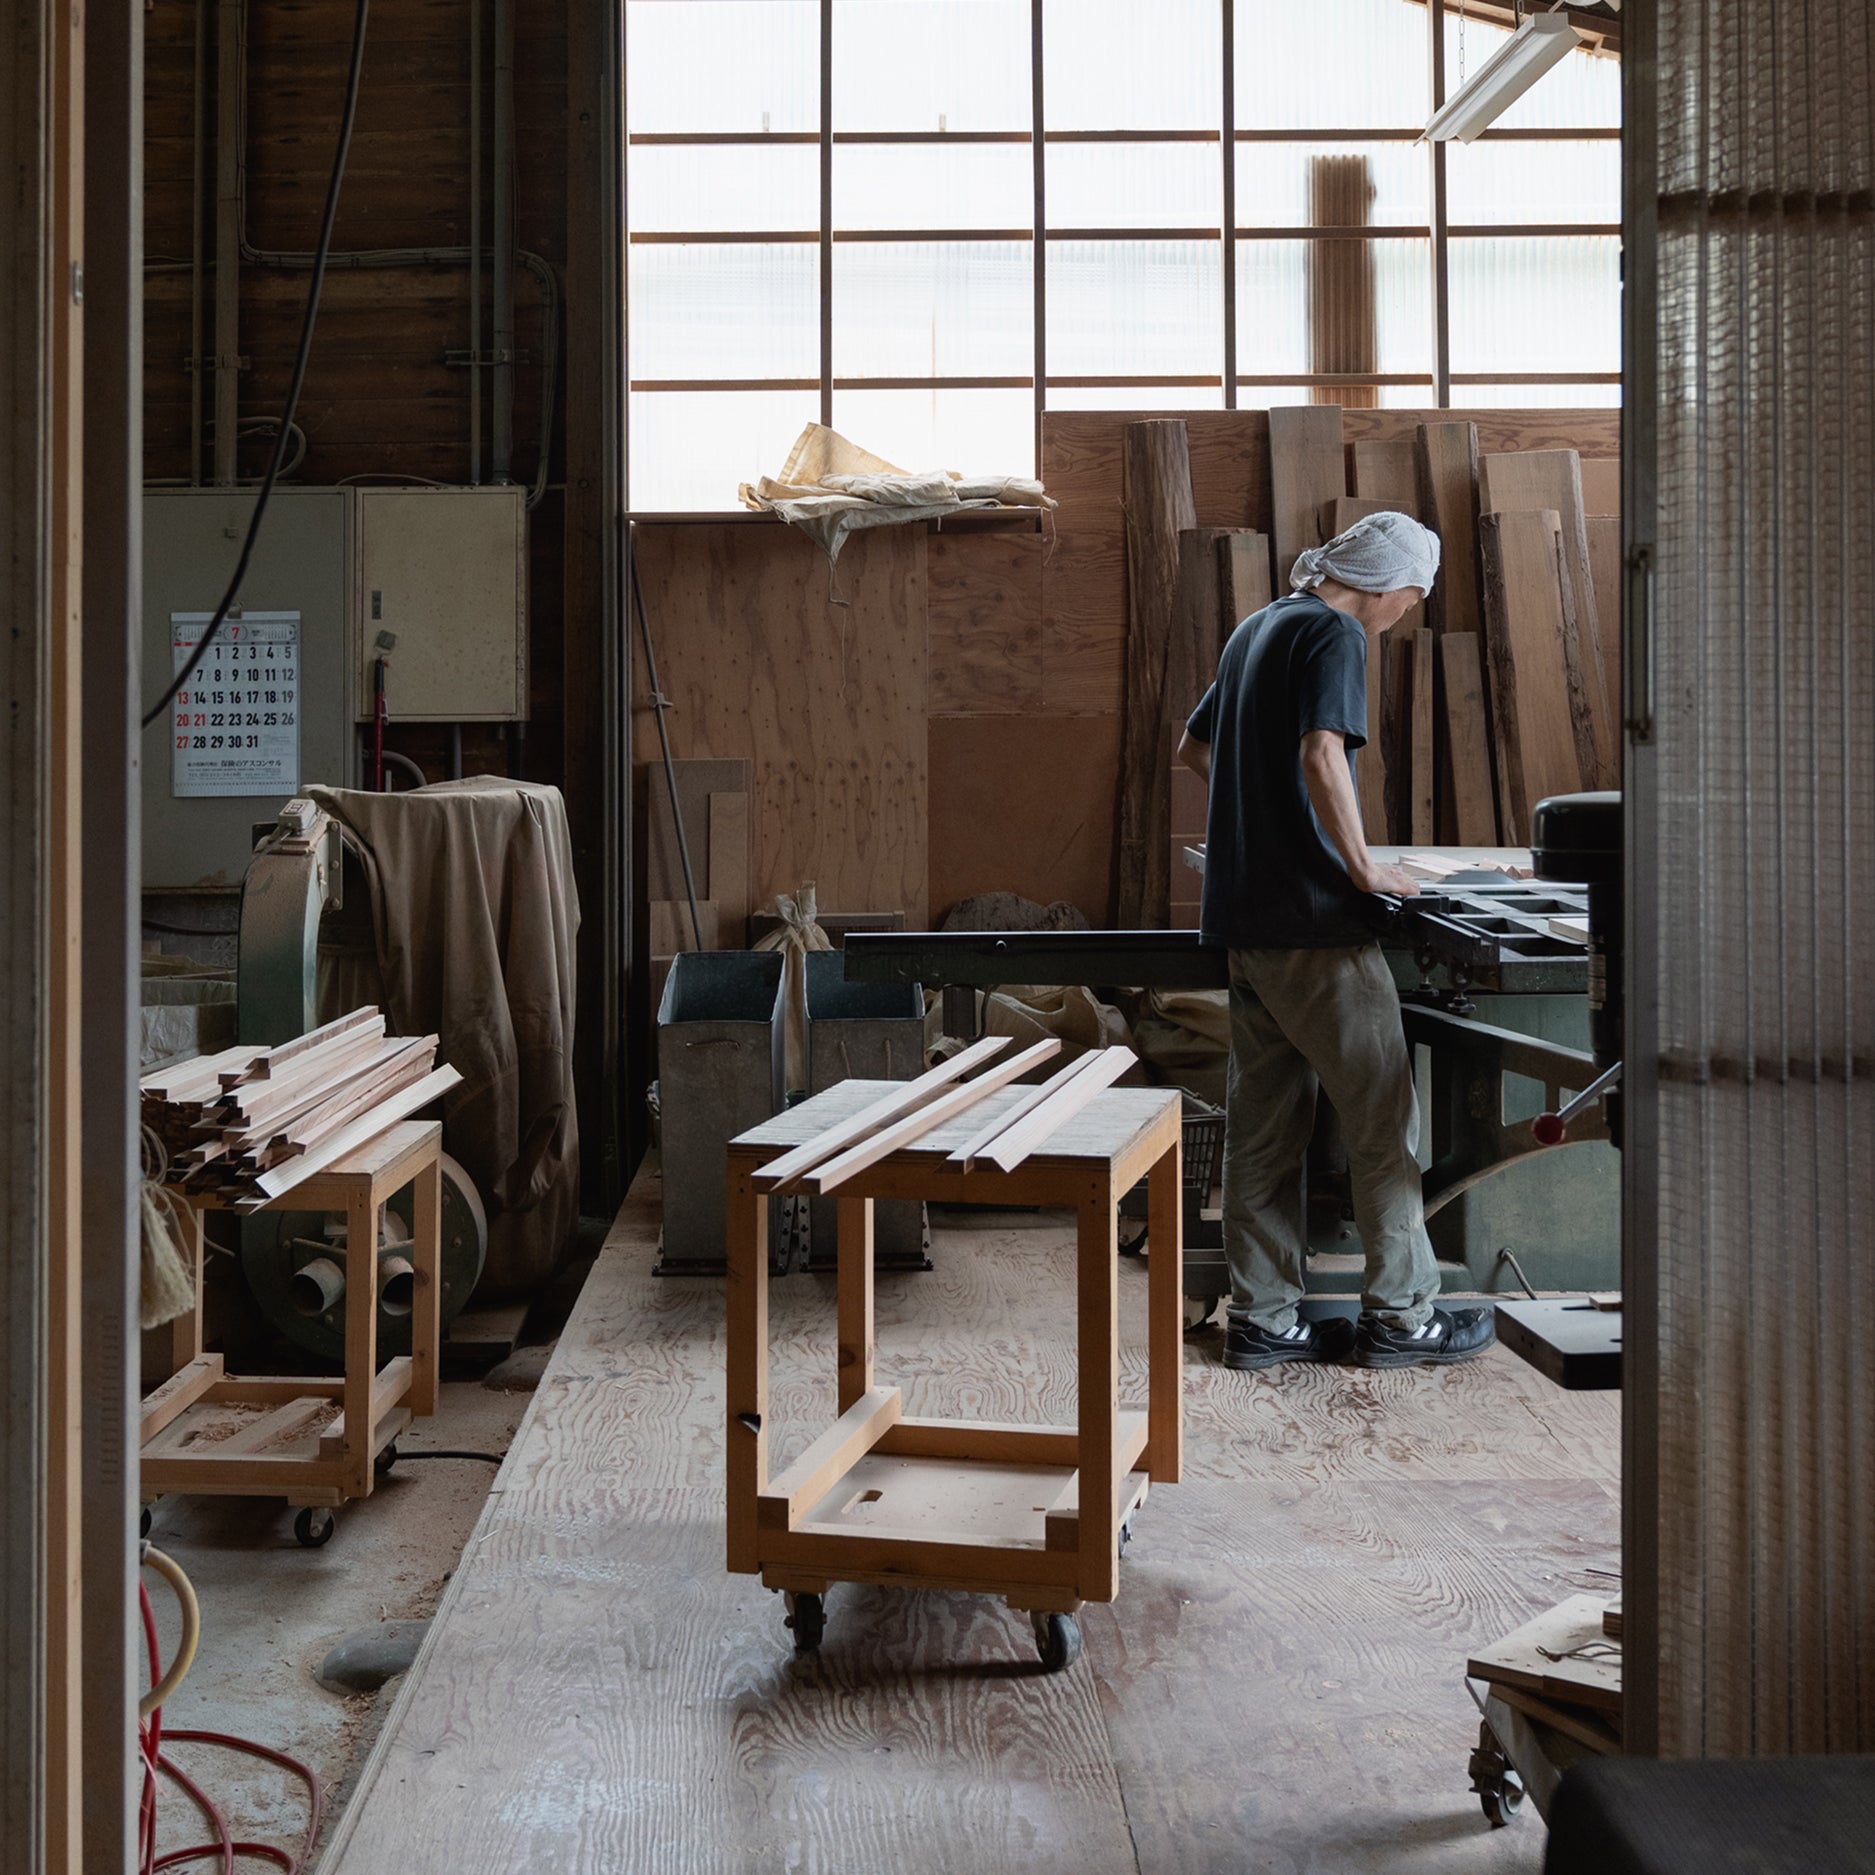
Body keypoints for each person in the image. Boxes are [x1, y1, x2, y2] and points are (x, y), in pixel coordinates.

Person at [1176, 511, 1496, 1373]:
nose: (1404, 617)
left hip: (1246, 923)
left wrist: (1266, 821)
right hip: (1317, 927)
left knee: (1263, 1130)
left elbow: (1195, 747)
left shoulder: (1258, 626)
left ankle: (1265, 1320)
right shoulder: (1332, 632)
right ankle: (1402, 1316)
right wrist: (1359, 869)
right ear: (1390, 587)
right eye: (1412, 601)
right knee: (1380, 1122)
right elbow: (1322, 752)